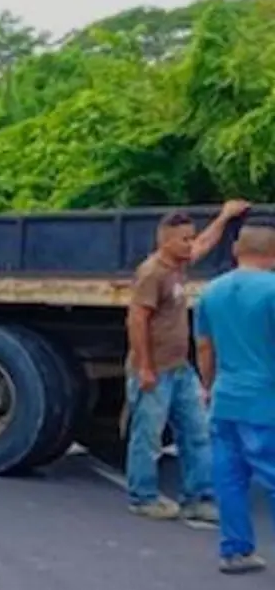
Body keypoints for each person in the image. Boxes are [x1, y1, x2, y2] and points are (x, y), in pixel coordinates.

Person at [124, 201, 249, 521]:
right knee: (148, 436)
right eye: (184, 239)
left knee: (198, 432)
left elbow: (205, 243)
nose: (191, 244)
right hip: (155, 371)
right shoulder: (152, 273)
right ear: (165, 241)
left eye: (191, 237)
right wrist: (145, 368)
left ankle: (198, 497)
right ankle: (143, 496)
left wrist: (224, 216)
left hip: (181, 368)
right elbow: (136, 321)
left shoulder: (178, 265)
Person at [194, 219, 275, 574]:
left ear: (235, 251)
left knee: (229, 479)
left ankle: (235, 550)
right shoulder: (272, 291)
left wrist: (208, 386)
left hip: (225, 398)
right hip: (264, 401)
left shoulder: (211, 292)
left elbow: (205, 349)